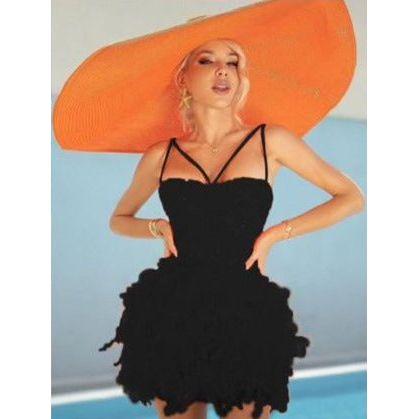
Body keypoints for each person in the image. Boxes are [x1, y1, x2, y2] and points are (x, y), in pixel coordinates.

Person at [98, 38, 365, 419]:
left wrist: (275, 234)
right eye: (207, 60)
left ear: (241, 78)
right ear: (183, 78)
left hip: (246, 311)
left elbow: (351, 197)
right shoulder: (162, 154)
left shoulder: (271, 140)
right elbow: (119, 220)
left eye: (233, 62)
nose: (223, 69)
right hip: (172, 310)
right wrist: (158, 227)